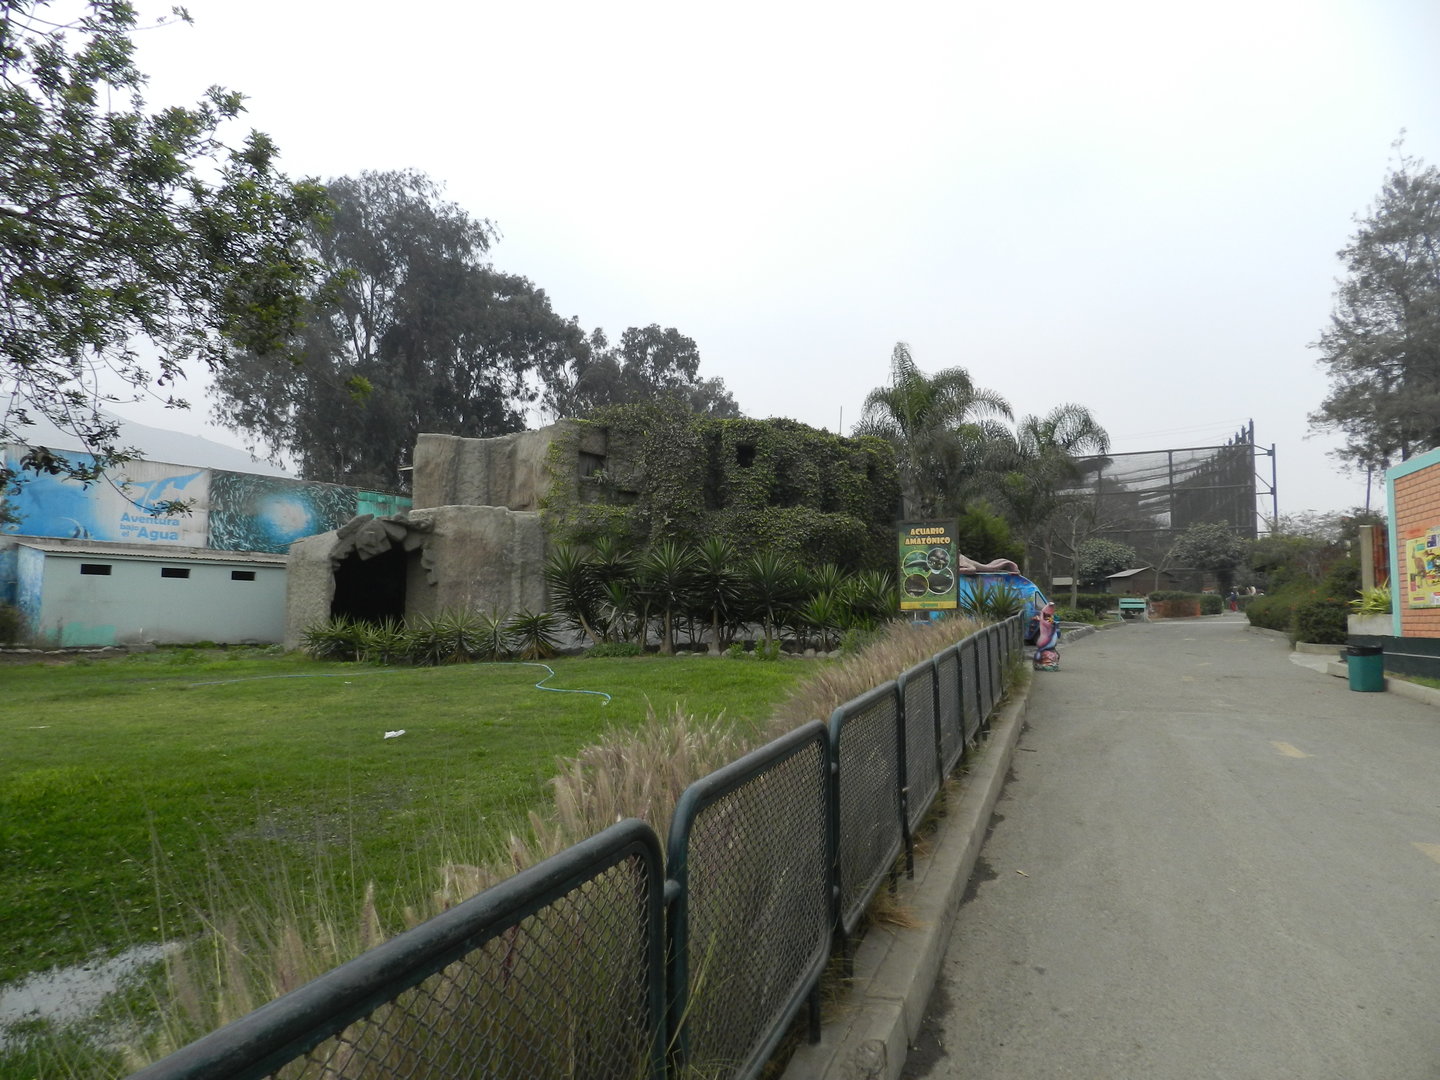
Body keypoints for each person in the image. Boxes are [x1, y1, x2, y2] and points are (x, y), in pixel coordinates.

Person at [1033, 602, 1060, 670]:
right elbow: (1047, 623)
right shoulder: (1045, 622)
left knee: (1054, 654)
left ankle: (1047, 662)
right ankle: (1043, 662)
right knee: (1045, 653)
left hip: (1049, 642)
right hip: (1045, 640)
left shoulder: (1049, 620)